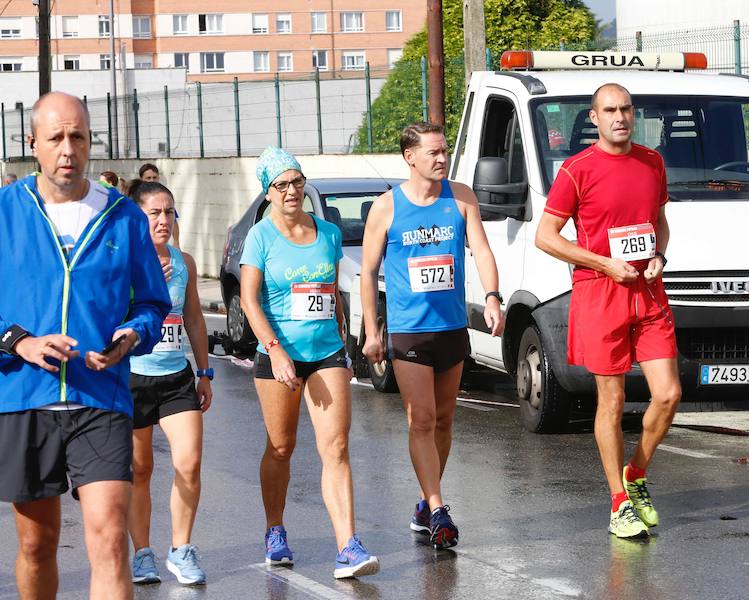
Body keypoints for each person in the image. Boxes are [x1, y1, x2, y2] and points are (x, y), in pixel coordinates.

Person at [0, 92, 170, 599]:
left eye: (78, 136)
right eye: (55, 137)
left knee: (112, 538)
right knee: (37, 544)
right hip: (24, 397)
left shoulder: (123, 216)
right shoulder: (6, 212)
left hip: (101, 398)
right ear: (33, 144)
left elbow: (153, 305)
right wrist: (21, 343)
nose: (67, 149)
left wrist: (132, 334)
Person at [534, 83, 681, 539]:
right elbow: (546, 235)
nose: (620, 117)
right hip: (601, 292)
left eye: (627, 109)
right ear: (594, 118)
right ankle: (618, 502)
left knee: (669, 394)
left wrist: (658, 255)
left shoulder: (652, 161)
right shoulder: (577, 170)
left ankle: (634, 474)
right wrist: (603, 263)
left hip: (649, 291)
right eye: (610, 110)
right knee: (612, 401)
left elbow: (659, 223)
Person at [361, 122, 504, 550]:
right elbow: (368, 272)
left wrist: (493, 297)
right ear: (410, 157)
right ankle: (439, 508)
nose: (442, 159)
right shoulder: (386, 208)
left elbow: (481, 249)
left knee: (443, 421)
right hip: (408, 332)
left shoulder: (460, 197)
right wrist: (373, 332)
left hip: (451, 329)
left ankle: (426, 501)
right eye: (434, 152)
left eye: (444, 152)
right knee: (420, 419)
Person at [240, 146, 379, 578]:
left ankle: (348, 547)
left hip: (326, 353)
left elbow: (332, 289)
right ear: (267, 192)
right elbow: (248, 299)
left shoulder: (327, 232)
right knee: (281, 447)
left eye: (298, 182)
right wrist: (274, 348)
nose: (292, 191)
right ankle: (275, 528)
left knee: (336, 447)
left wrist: (344, 337)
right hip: (278, 354)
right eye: (281, 185)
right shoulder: (260, 237)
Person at [127, 182, 214, 586]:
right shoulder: (123, 263)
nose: (164, 220)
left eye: (170, 212)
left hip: (176, 377)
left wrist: (204, 370)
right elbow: (107, 315)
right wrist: (145, 286)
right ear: (136, 217)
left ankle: (181, 549)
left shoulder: (184, 262)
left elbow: (193, 317)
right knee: (139, 468)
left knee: (189, 462)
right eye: (155, 213)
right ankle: (142, 554)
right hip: (131, 376)